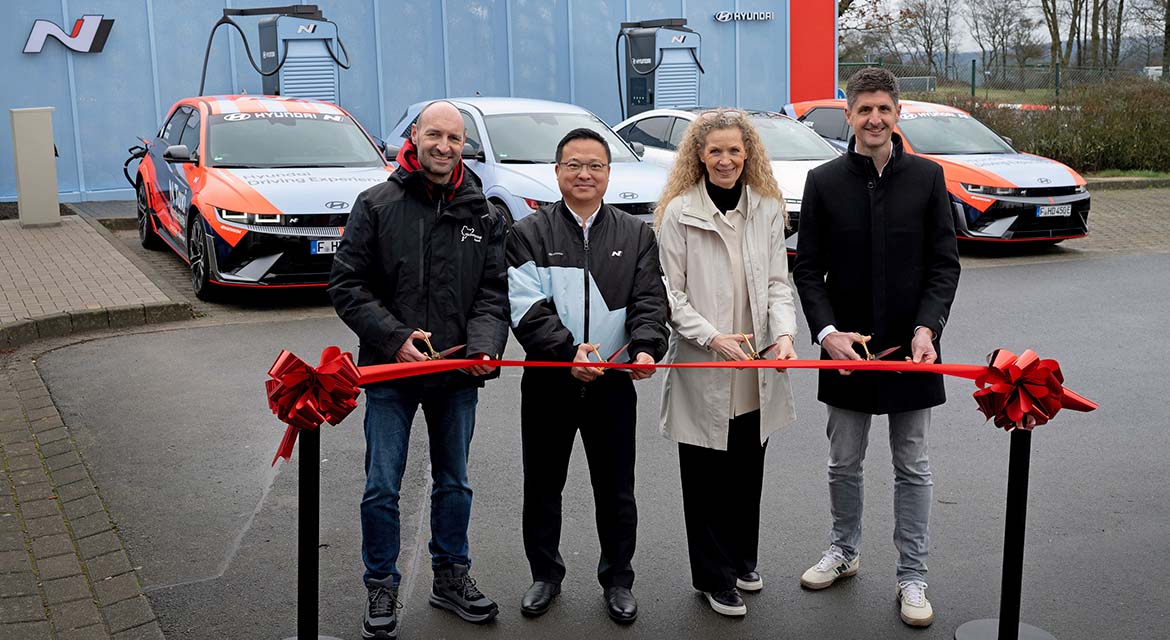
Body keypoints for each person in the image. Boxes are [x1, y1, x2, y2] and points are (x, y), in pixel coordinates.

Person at [329, 100, 510, 639]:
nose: (444, 146)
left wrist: (481, 348)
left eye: (454, 139)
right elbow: (346, 286)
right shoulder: (377, 204)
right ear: (414, 136)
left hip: (456, 377)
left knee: (454, 482)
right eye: (435, 135)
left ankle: (451, 576)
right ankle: (380, 582)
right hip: (390, 375)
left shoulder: (483, 213)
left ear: (463, 146)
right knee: (382, 484)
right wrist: (393, 338)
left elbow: (492, 294)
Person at [792, 67, 961, 628]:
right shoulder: (823, 182)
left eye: (884, 109)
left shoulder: (928, 178)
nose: (874, 119)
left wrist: (928, 329)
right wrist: (826, 334)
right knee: (844, 462)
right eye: (863, 109)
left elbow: (944, 264)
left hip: (913, 351)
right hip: (847, 353)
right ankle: (843, 550)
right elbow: (809, 269)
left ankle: (912, 576)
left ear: (897, 113)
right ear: (848, 114)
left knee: (913, 466)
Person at [506, 127, 669, 624]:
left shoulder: (637, 234)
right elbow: (525, 309)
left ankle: (618, 580)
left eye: (594, 165)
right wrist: (566, 351)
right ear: (556, 172)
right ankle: (545, 576)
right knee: (542, 485)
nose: (584, 174)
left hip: (614, 384)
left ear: (608, 173)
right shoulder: (527, 233)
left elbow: (649, 302)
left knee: (617, 489)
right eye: (573, 165)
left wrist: (645, 349)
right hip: (550, 381)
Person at [654, 109, 799, 618]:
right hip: (704, 365)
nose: (725, 159)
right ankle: (713, 579)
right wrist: (712, 337)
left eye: (734, 150)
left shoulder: (765, 208)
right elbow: (669, 294)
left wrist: (783, 334)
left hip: (756, 367)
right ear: (699, 154)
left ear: (748, 154)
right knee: (705, 478)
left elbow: (780, 284)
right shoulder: (678, 213)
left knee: (746, 471)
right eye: (715, 150)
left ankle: (741, 559)